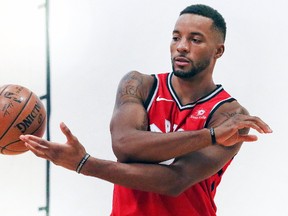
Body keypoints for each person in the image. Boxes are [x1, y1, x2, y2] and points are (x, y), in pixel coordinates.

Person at [20, 4, 272, 216]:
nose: (182, 46)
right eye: (176, 37)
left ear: (218, 50)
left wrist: (85, 165)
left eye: (195, 40)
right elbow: (125, 145)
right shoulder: (139, 84)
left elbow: (176, 180)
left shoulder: (230, 114)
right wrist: (211, 135)